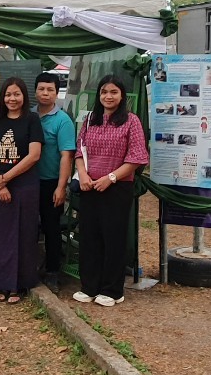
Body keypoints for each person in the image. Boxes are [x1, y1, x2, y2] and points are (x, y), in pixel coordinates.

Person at [74, 75, 148, 307]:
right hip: (89, 187)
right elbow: (79, 151)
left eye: (114, 92)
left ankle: (113, 290)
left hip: (117, 188)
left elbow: (137, 157)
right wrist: (84, 175)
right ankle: (89, 286)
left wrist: (111, 177)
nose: (108, 96)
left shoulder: (131, 121)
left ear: (122, 95)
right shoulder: (90, 120)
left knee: (113, 239)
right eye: (104, 91)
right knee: (89, 237)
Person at [0, 77, 43, 303]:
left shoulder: (32, 120)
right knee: (0, 235)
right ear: (2, 97)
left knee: (23, 234)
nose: (12, 98)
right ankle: (2, 282)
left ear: (24, 96)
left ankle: (19, 284)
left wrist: (5, 178)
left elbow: (34, 155)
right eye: (8, 94)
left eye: (17, 94)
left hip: (24, 186)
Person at [34, 72, 76, 293]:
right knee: (29, 227)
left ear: (56, 92)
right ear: (35, 91)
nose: (45, 93)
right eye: (41, 89)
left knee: (51, 229)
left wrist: (62, 187)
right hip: (29, 183)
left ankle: (52, 272)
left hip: (52, 183)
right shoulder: (28, 116)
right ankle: (28, 268)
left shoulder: (63, 121)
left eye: (50, 89)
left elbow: (66, 155)